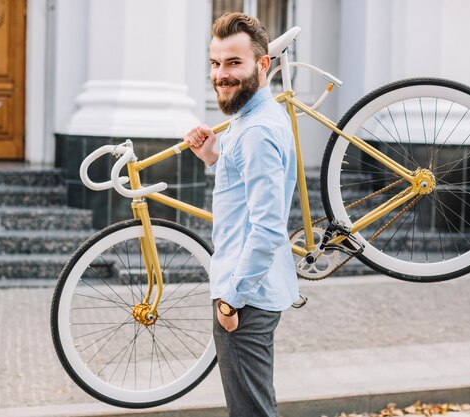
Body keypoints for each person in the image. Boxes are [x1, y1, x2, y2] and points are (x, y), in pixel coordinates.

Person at [183, 12, 299, 417]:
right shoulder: (252, 120)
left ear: (262, 64)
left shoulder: (256, 131)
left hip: (245, 294)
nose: (221, 75)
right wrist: (214, 156)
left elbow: (267, 228)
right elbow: (250, 195)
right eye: (215, 63)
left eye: (234, 63)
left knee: (251, 411)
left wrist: (231, 302)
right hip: (251, 289)